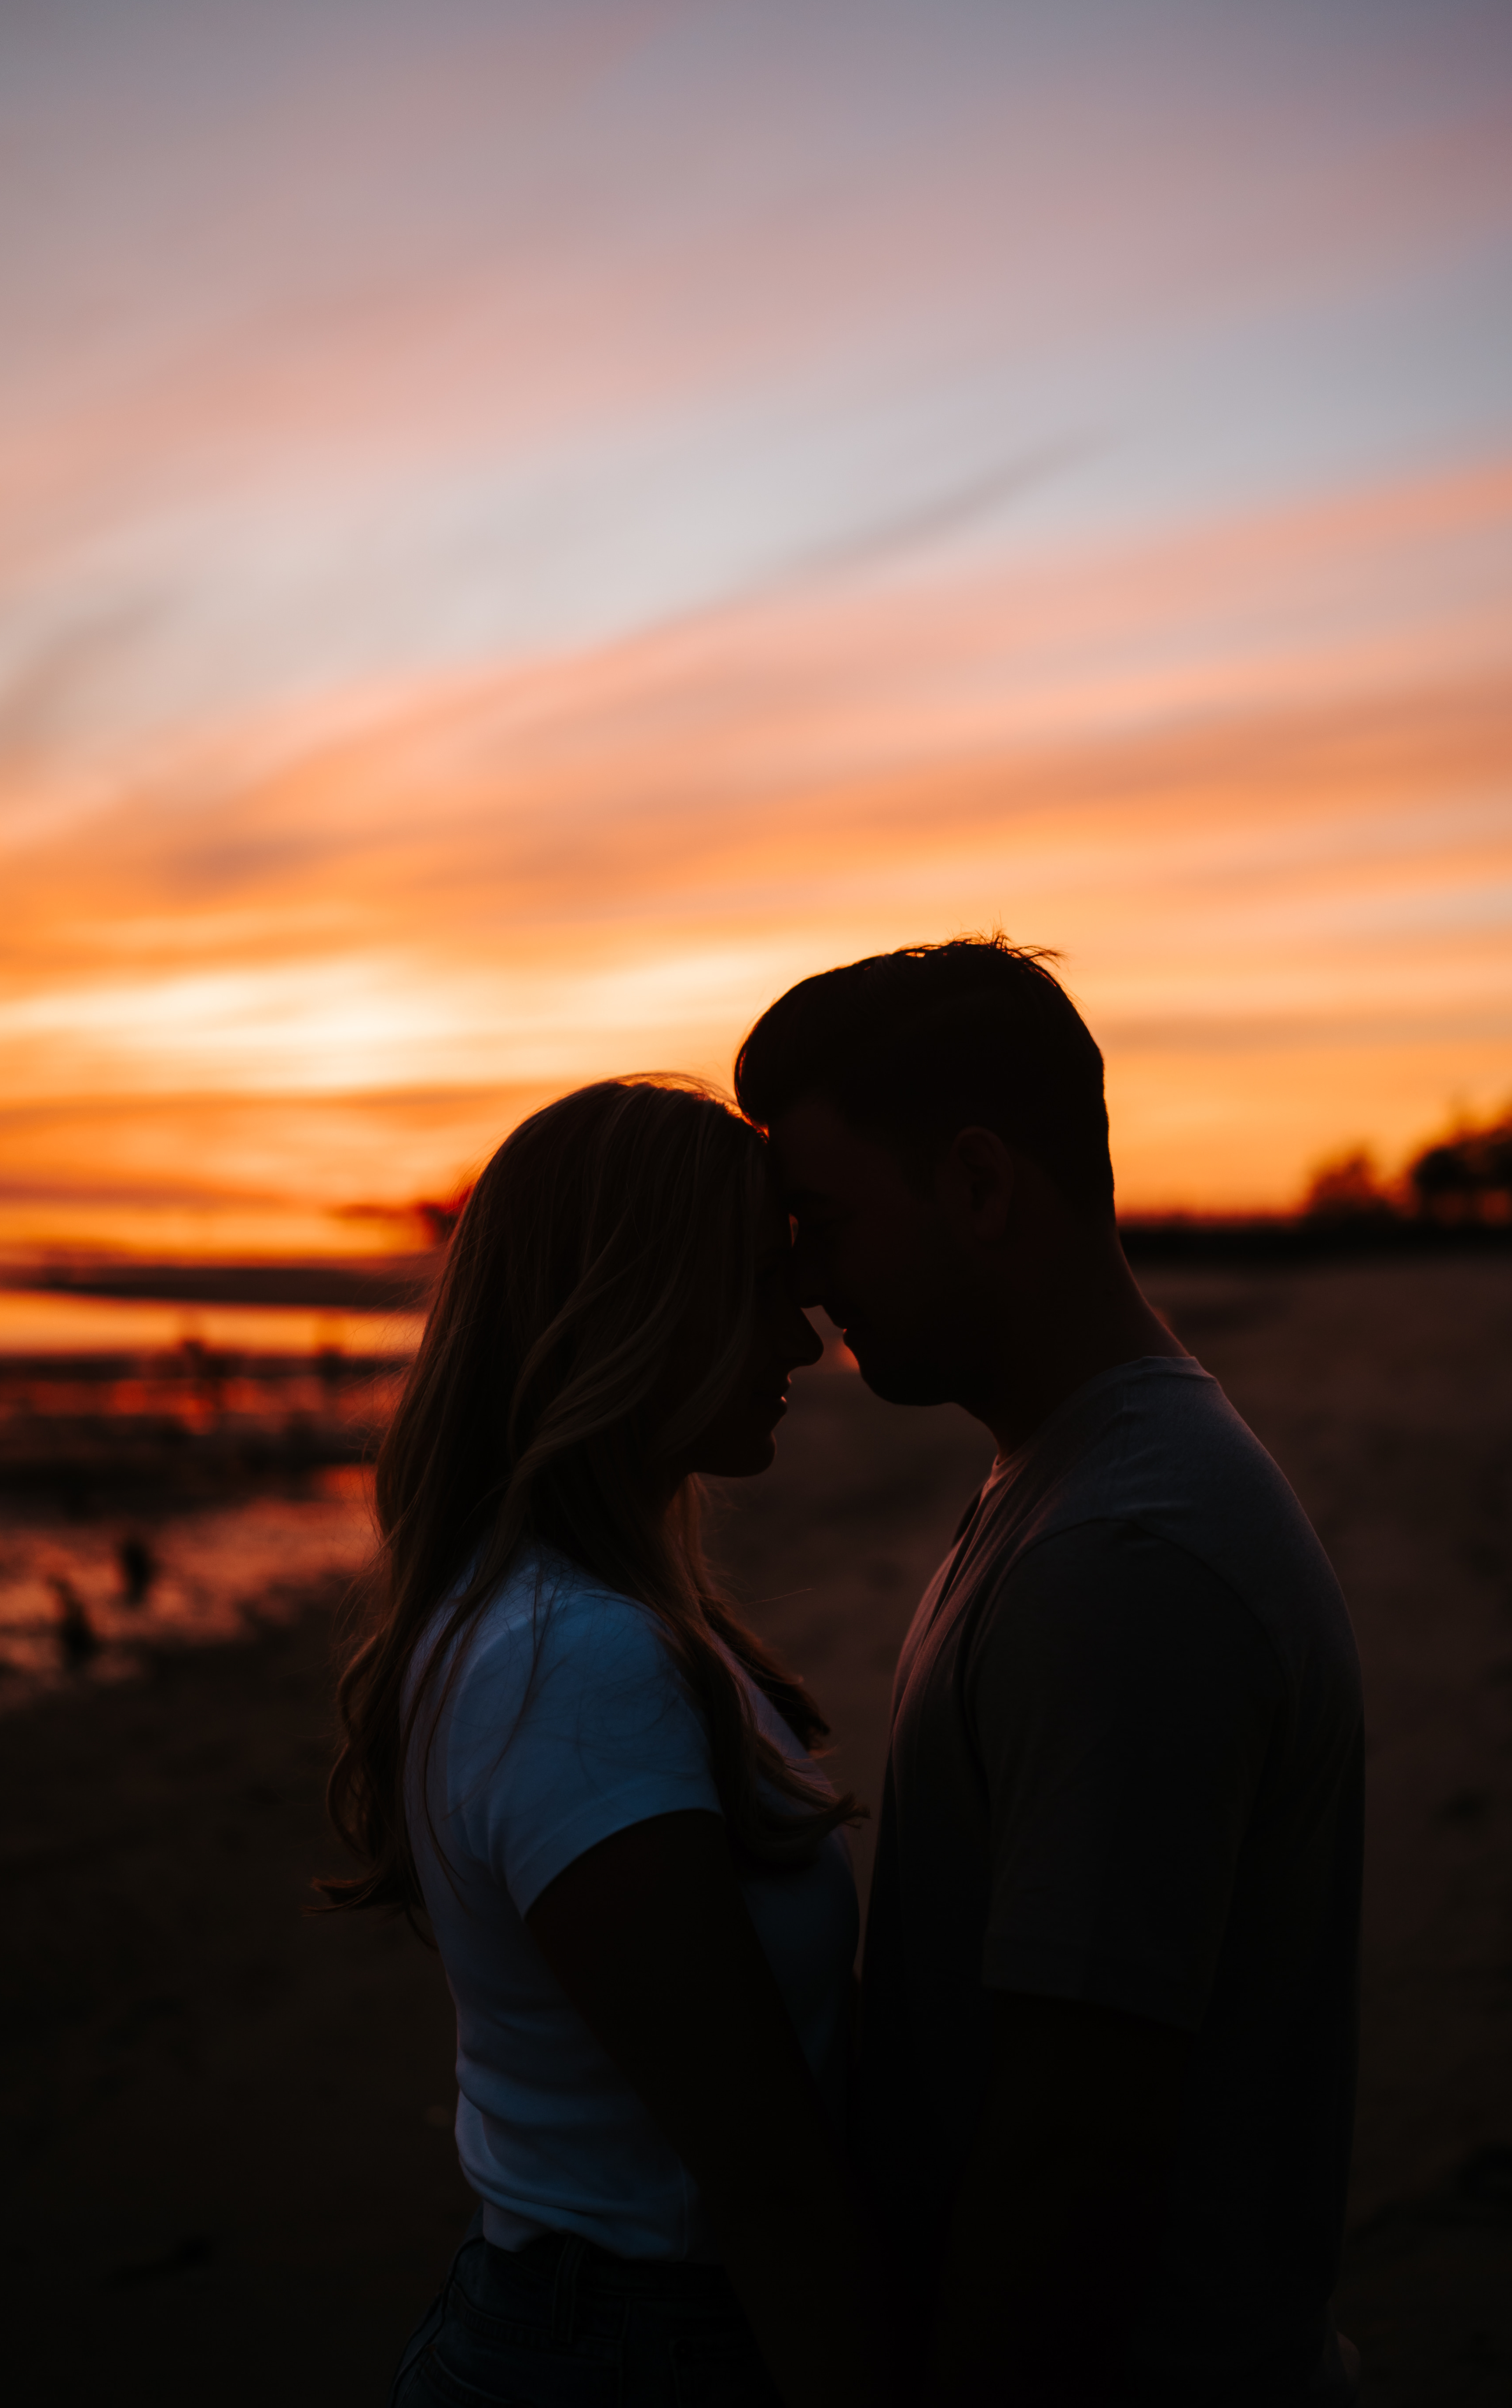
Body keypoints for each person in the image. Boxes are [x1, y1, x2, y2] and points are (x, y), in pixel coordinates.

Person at [734, 938, 1365, 2408]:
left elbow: (1072, 2144)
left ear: (977, 1185)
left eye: (822, 1222)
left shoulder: (1127, 1551)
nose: (810, 1290)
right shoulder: (1075, 1484)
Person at [319, 1077, 886, 2408]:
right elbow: (764, 2177)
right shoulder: (575, 1664)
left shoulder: (545, 1618)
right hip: (641, 2352)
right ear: (637, 1310)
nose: (804, 1342)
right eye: (758, 1284)